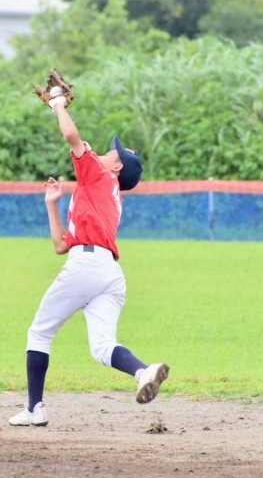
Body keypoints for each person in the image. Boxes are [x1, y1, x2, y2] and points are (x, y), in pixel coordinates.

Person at [9, 87, 169, 427]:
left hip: (87, 267)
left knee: (39, 334)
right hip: (109, 274)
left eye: (113, 153)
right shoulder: (106, 194)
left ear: (117, 167)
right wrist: (52, 204)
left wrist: (57, 104)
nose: (107, 152)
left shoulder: (98, 174)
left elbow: (71, 135)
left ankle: (35, 410)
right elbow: (60, 245)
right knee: (102, 347)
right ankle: (143, 371)